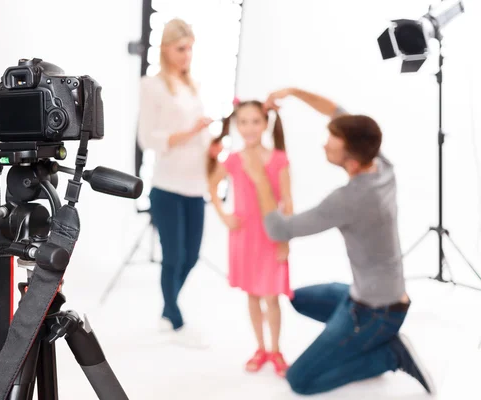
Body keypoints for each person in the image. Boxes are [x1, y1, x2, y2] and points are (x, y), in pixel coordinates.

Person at [240, 87, 435, 395]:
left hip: (376, 311)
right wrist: (291, 92)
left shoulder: (350, 200)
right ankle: (364, 334)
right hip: (371, 293)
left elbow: (279, 230)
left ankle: (389, 354)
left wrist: (260, 178)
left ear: (352, 162)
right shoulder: (379, 162)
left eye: (332, 143)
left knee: (300, 381)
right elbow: (335, 109)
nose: (324, 144)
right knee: (296, 297)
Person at [137, 18, 213, 348]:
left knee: (192, 256)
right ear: (166, 49)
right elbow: (146, 139)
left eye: (191, 49)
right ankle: (175, 318)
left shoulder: (191, 85)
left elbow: (200, 134)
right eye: (181, 49)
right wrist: (189, 133)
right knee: (173, 256)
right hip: (167, 186)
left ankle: (169, 309)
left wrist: (211, 143)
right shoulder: (151, 85)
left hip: (196, 185)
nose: (187, 55)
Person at [207, 99, 293, 376]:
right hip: (244, 236)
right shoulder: (233, 159)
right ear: (236, 125)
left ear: (265, 123)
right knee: (253, 295)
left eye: (255, 121)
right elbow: (212, 184)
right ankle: (260, 348)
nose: (249, 127)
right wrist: (223, 214)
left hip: (270, 236)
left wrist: (285, 239)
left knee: (272, 296)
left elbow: (288, 203)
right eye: (243, 122)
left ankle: (276, 349)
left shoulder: (279, 159)